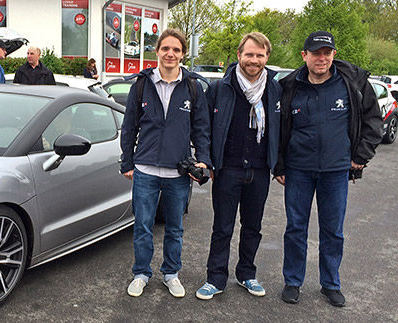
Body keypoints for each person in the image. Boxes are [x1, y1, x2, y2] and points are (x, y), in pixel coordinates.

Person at [274, 31, 383, 307]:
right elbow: (278, 128)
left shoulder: (352, 84)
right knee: (295, 228)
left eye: (327, 52)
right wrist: (280, 165)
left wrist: (361, 156)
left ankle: (330, 283)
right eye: (315, 53)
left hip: (336, 171)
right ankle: (293, 281)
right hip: (298, 170)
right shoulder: (291, 87)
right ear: (304, 56)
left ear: (333, 54)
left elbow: (373, 121)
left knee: (333, 230)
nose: (321, 58)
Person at [120, 28, 211, 298]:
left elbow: (202, 128)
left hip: (177, 172)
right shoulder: (141, 85)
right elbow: (129, 128)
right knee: (142, 226)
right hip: (145, 170)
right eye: (165, 48)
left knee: (175, 228)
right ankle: (141, 273)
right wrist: (127, 162)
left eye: (176, 49)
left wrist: (204, 160)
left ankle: (171, 273)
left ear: (183, 54)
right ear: (157, 51)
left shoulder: (193, 87)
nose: (170, 54)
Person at [195, 32, 282, 300]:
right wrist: (206, 159)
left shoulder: (276, 90)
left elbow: (284, 130)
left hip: (259, 170)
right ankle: (216, 278)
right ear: (239, 56)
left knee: (253, 226)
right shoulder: (221, 88)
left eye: (259, 55)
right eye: (249, 54)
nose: (254, 60)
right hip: (227, 169)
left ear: (267, 57)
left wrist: (279, 165)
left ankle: (247, 274)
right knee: (222, 227)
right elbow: (204, 128)